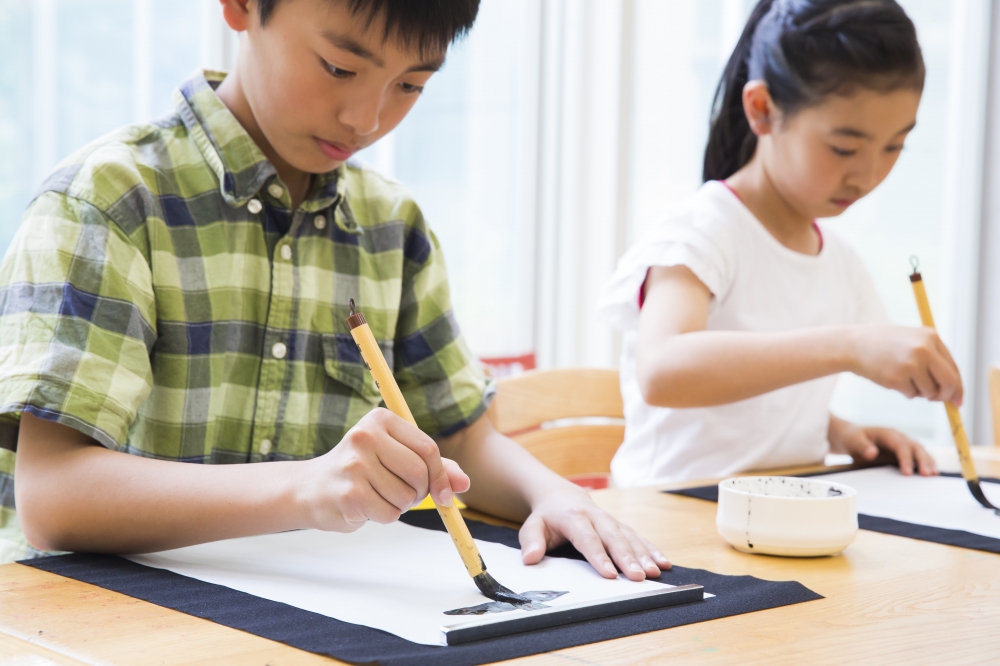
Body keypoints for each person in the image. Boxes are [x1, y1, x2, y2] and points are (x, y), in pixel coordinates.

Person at [0, 0, 670, 581]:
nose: (366, 118)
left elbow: (459, 438)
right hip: (108, 623)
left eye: (410, 84)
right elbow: (53, 496)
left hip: (309, 610)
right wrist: (306, 486)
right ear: (241, 7)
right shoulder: (112, 199)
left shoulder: (392, 226)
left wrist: (552, 493)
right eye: (340, 68)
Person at [600, 0, 958, 487]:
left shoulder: (840, 262)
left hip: (774, 511)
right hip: (668, 514)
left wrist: (837, 432)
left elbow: (753, 410)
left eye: (895, 146)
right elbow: (663, 371)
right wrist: (848, 346)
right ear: (763, 110)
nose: (868, 175)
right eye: (844, 148)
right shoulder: (702, 232)